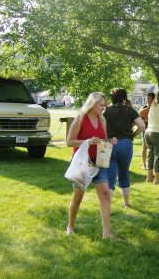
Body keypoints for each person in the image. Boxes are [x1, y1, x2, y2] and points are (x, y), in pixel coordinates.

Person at [65, 92, 118, 239]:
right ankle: (70, 226)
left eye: (104, 105)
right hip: (82, 162)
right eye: (101, 105)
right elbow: (69, 141)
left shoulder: (102, 120)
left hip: (98, 162)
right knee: (78, 197)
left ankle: (107, 233)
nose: (104, 108)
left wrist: (109, 142)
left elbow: (102, 140)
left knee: (106, 195)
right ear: (92, 104)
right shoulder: (80, 118)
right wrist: (86, 141)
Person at [104, 88, 145, 208]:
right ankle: (126, 203)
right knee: (124, 173)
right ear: (124, 98)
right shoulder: (130, 110)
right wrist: (132, 136)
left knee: (110, 175)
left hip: (110, 143)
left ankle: (108, 206)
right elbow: (142, 126)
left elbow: (101, 127)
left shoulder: (106, 111)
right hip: (126, 144)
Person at [139, 93, 155, 170]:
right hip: (145, 130)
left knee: (152, 148)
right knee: (144, 146)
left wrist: (146, 120)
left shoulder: (156, 108)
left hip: (154, 130)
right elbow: (140, 119)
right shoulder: (144, 108)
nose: (147, 100)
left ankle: (151, 164)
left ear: (153, 99)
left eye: (149, 98)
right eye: (147, 98)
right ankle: (144, 164)